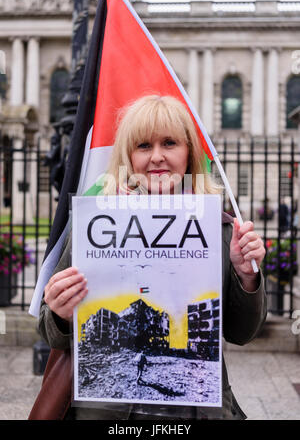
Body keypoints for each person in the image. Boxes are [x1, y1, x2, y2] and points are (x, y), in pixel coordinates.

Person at [36, 95, 267, 420]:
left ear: (188, 152)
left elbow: (242, 333)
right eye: (143, 146)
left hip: (195, 410)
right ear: (129, 157)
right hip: (105, 412)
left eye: (169, 143)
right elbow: (49, 329)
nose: (157, 157)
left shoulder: (219, 228)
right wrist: (60, 313)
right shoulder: (97, 223)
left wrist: (247, 276)